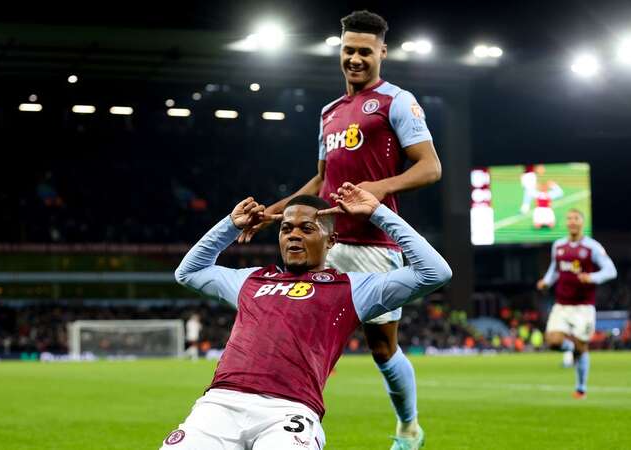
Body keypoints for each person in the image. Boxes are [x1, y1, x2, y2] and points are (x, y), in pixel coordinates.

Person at [238, 11, 441, 449]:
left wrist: (377, 188)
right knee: (298, 332)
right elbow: (320, 183)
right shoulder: (329, 112)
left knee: (383, 350)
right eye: (348, 50)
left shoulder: (396, 102)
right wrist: (273, 213)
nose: (355, 59)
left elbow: (430, 167)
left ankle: (409, 426)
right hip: (325, 241)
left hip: (373, 243)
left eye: (365, 52)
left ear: (382, 53)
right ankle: (288, 418)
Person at [161, 183, 451, 450]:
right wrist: (229, 226)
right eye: (286, 229)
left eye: (307, 228)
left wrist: (378, 213)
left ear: (331, 240)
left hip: (288, 412)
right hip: (220, 404)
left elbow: (435, 272)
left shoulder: (351, 288)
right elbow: (188, 272)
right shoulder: (252, 280)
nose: (294, 235)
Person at [536, 209, 617, 399]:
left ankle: (581, 388)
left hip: (583, 306)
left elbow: (611, 270)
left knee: (583, 348)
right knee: (553, 340)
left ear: (582, 222)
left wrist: (592, 277)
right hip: (562, 305)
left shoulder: (592, 247)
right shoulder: (558, 246)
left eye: (576, 218)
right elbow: (555, 270)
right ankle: (571, 349)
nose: (572, 222)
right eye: (569, 219)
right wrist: (546, 281)